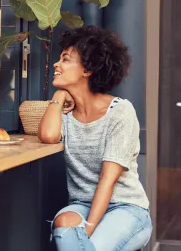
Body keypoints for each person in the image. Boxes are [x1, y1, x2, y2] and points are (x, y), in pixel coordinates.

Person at [38, 26, 152, 251]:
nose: (56, 65)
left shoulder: (120, 112)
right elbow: (49, 136)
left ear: (87, 69)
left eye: (66, 59)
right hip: (81, 205)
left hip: (126, 208)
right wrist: (59, 95)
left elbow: (107, 180)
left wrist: (88, 230)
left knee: (92, 246)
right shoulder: (67, 114)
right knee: (63, 222)